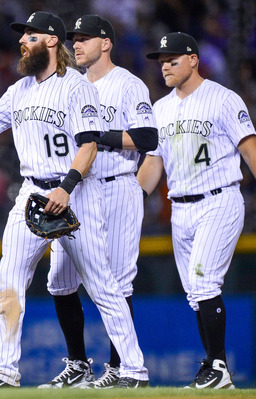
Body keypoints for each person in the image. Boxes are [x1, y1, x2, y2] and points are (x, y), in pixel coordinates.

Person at [0, 11, 149, 389]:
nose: (23, 42)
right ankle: (4, 371)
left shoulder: (77, 87)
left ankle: (133, 369)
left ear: (52, 41)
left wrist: (66, 188)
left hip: (75, 192)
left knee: (101, 282)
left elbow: (88, 146)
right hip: (31, 191)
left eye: (31, 36)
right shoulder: (20, 89)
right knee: (10, 275)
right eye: (22, 37)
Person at [41, 15, 158, 389]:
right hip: (77, 190)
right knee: (59, 280)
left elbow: (147, 136)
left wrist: (95, 135)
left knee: (119, 283)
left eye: (86, 38)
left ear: (106, 43)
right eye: (74, 39)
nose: (76, 45)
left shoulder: (127, 84)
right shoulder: (66, 85)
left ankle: (118, 368)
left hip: (118, 184)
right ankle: (77, 365)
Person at [138, 32, 256, 389]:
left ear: (193, 59)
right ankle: (213, 367)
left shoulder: (223, 99)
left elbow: (250, 150)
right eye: (162, 62)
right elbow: (152, 167)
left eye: (173, 60)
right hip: (181, 209)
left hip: (219, 200)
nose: (166, 67)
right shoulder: (161, 108)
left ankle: (217, 367)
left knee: (204, 284)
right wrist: (127, 201)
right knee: (195, 293)